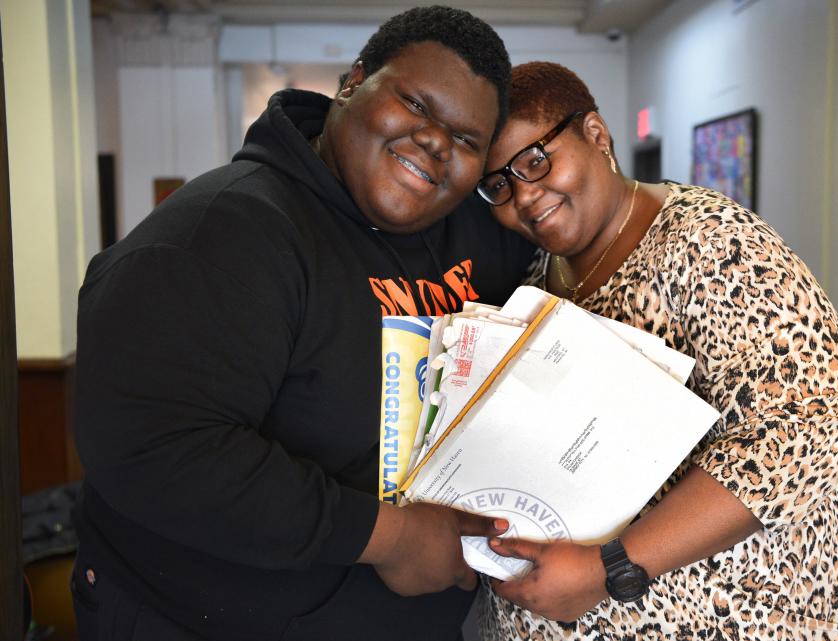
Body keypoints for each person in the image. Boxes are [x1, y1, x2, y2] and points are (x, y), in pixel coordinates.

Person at [70, 7, 534, 641]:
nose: (436, 141)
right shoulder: (222, 230)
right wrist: (389, 537)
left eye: (467, 139)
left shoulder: (478, 239)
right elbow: (153, 448)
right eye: (417, 105)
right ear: (352, 83)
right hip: (195, 617)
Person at [474, 61, 838, 641]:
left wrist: (611, 567)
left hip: (749, 619)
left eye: (536, 161)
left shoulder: (710, 244)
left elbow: (815, 419)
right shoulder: (542, 276)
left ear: (595, 133)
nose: (525, 195)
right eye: (499, 185)